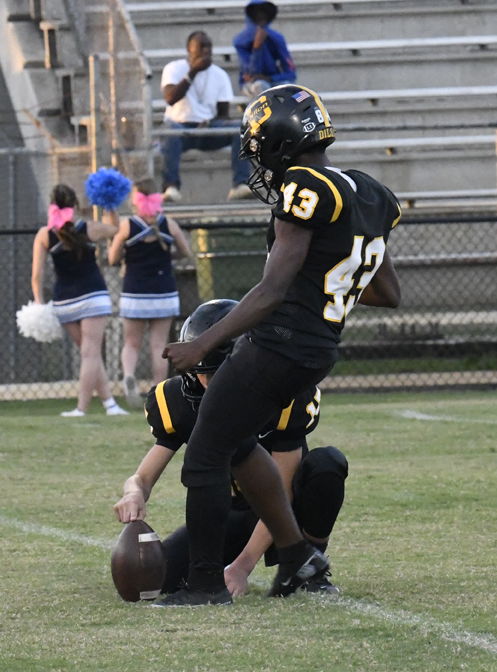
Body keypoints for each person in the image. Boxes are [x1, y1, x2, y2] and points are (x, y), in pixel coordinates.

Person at [156, 84, 402, 606]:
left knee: (205, 454)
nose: (258, 161)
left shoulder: (303, 184)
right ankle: (297, 559)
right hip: (318, 348)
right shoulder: (367, 190)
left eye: (258, 146)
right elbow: (387, 291)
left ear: (280, 142)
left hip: (280, 343)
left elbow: (271, 290)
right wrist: (329, 284)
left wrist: (203, 344)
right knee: (238, 442)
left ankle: (205, 584)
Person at [113, 300, 348, 596]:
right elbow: (143, 477)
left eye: (220, 373)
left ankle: (308, 567)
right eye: (203, 373)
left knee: (326, 465)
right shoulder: (179, 400)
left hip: (286, 513)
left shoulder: (287, 394)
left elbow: (282, 491)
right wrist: (134, 492)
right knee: (164, 576)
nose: (211, 384)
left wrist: (242, 567)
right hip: (236, 512)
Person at [31, 184, 129, 418]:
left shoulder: (45, 234)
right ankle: (84, 408)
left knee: (89, 354)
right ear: (75, 205)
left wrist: (39, 302)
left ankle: (108, 405)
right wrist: (110, 206)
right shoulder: (90, 228)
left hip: (65, 301)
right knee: (90, 354)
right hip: (93, 296)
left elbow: (36, 275)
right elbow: (116, 229)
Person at [107, 178, 194, 407]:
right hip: (164, 292)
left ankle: (129, 375)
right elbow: (186, 252)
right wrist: (168, 256)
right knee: (159, 345)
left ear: (135, 199)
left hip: (135, 293)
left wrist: (126, 256)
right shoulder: (169, 224)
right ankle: (159, 393)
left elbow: (112, 258)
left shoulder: (128, 225)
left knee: (131, 343)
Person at [160, 31, 253, 203]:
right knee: (169, 130)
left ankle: (240, 184)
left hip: (208, 129)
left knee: (241, 128)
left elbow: (223, 114)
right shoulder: (173, 68)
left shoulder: (220, 74)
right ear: (189, 49)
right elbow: (170, 98)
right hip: (181, 128)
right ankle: (171, 187)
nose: (206, 51)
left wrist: (210, 122)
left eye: (209, 47)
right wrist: (193, 71)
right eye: (201, 46)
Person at [233, 1, 296, 99]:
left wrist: (270, 78)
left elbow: (291, 73)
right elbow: (251, 73)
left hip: (273, 80)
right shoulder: (240, 41)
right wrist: (257, 47)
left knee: (287, 87)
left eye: (264, 16)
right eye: (256, 16)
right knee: (261, 86)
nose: (261, 19)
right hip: (251, 84)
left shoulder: (276, 38)